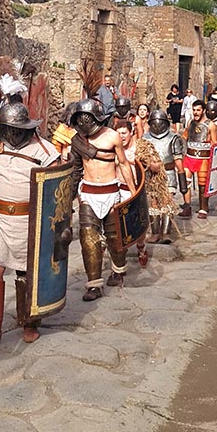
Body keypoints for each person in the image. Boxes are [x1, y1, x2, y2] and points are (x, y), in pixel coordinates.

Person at [0, 103, 61, 346]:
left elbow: (57, 191)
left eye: (16, 128)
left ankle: (29, 323)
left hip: (30, 221)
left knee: (26, 274)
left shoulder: (45, 151)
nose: (13, 133)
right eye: (8, 128)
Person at [70, 99, 137, 299]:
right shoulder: (77, 140)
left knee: (114, 237)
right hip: (88, 194)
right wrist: (68, 200)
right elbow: (75, 170)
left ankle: (118, 270)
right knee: (88, 238)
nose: (84, 122)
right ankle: (94, 285)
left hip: (110, 192)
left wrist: (134, 192)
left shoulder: (112, 136)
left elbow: (123, 164)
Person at [181, 100, 217, 219]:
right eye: (194, 110)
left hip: (204, 159)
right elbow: (184, 137)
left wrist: (216, 161)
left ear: (203, 110)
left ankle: (203, 208)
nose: (195, 112)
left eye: (198, 110)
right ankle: (187, 207)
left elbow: (215, 144)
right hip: (190, 157)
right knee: (185, 182)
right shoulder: (190, 123)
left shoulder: (210, 125)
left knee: (203, 185)